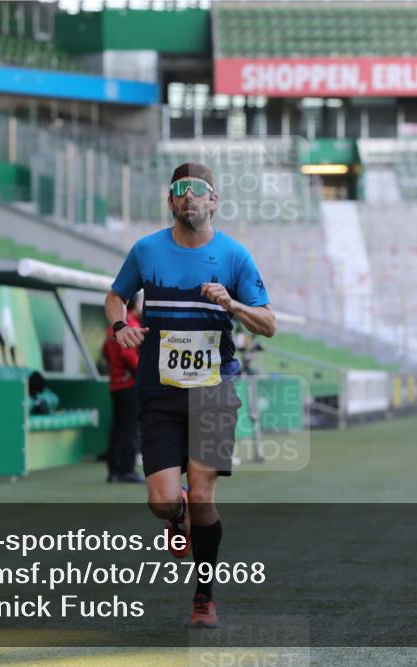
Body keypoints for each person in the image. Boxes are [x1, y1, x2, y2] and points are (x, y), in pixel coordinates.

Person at [104, 162, 276, 629]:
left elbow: (269, 324)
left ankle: (204, 596)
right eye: (179, 190)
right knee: (163, 503)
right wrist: (119, 325)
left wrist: (232, 304)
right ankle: (174, 510)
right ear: (170, 201)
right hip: (158, 391)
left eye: (198, 190)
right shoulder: (147, 250)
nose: (188, 197)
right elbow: (116, 295)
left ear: (214, 200)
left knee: (203, 496)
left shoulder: (235, 256)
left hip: (213, 391)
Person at [102, 293, 145, 483]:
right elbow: (128, 355)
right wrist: (142, 372)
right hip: (129, 384)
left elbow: (105, 352)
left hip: (116, 383)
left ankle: (114, 470)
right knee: (130, 428)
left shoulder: (112, 327)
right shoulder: (131, 325)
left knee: (118, 427)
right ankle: (127, 469)